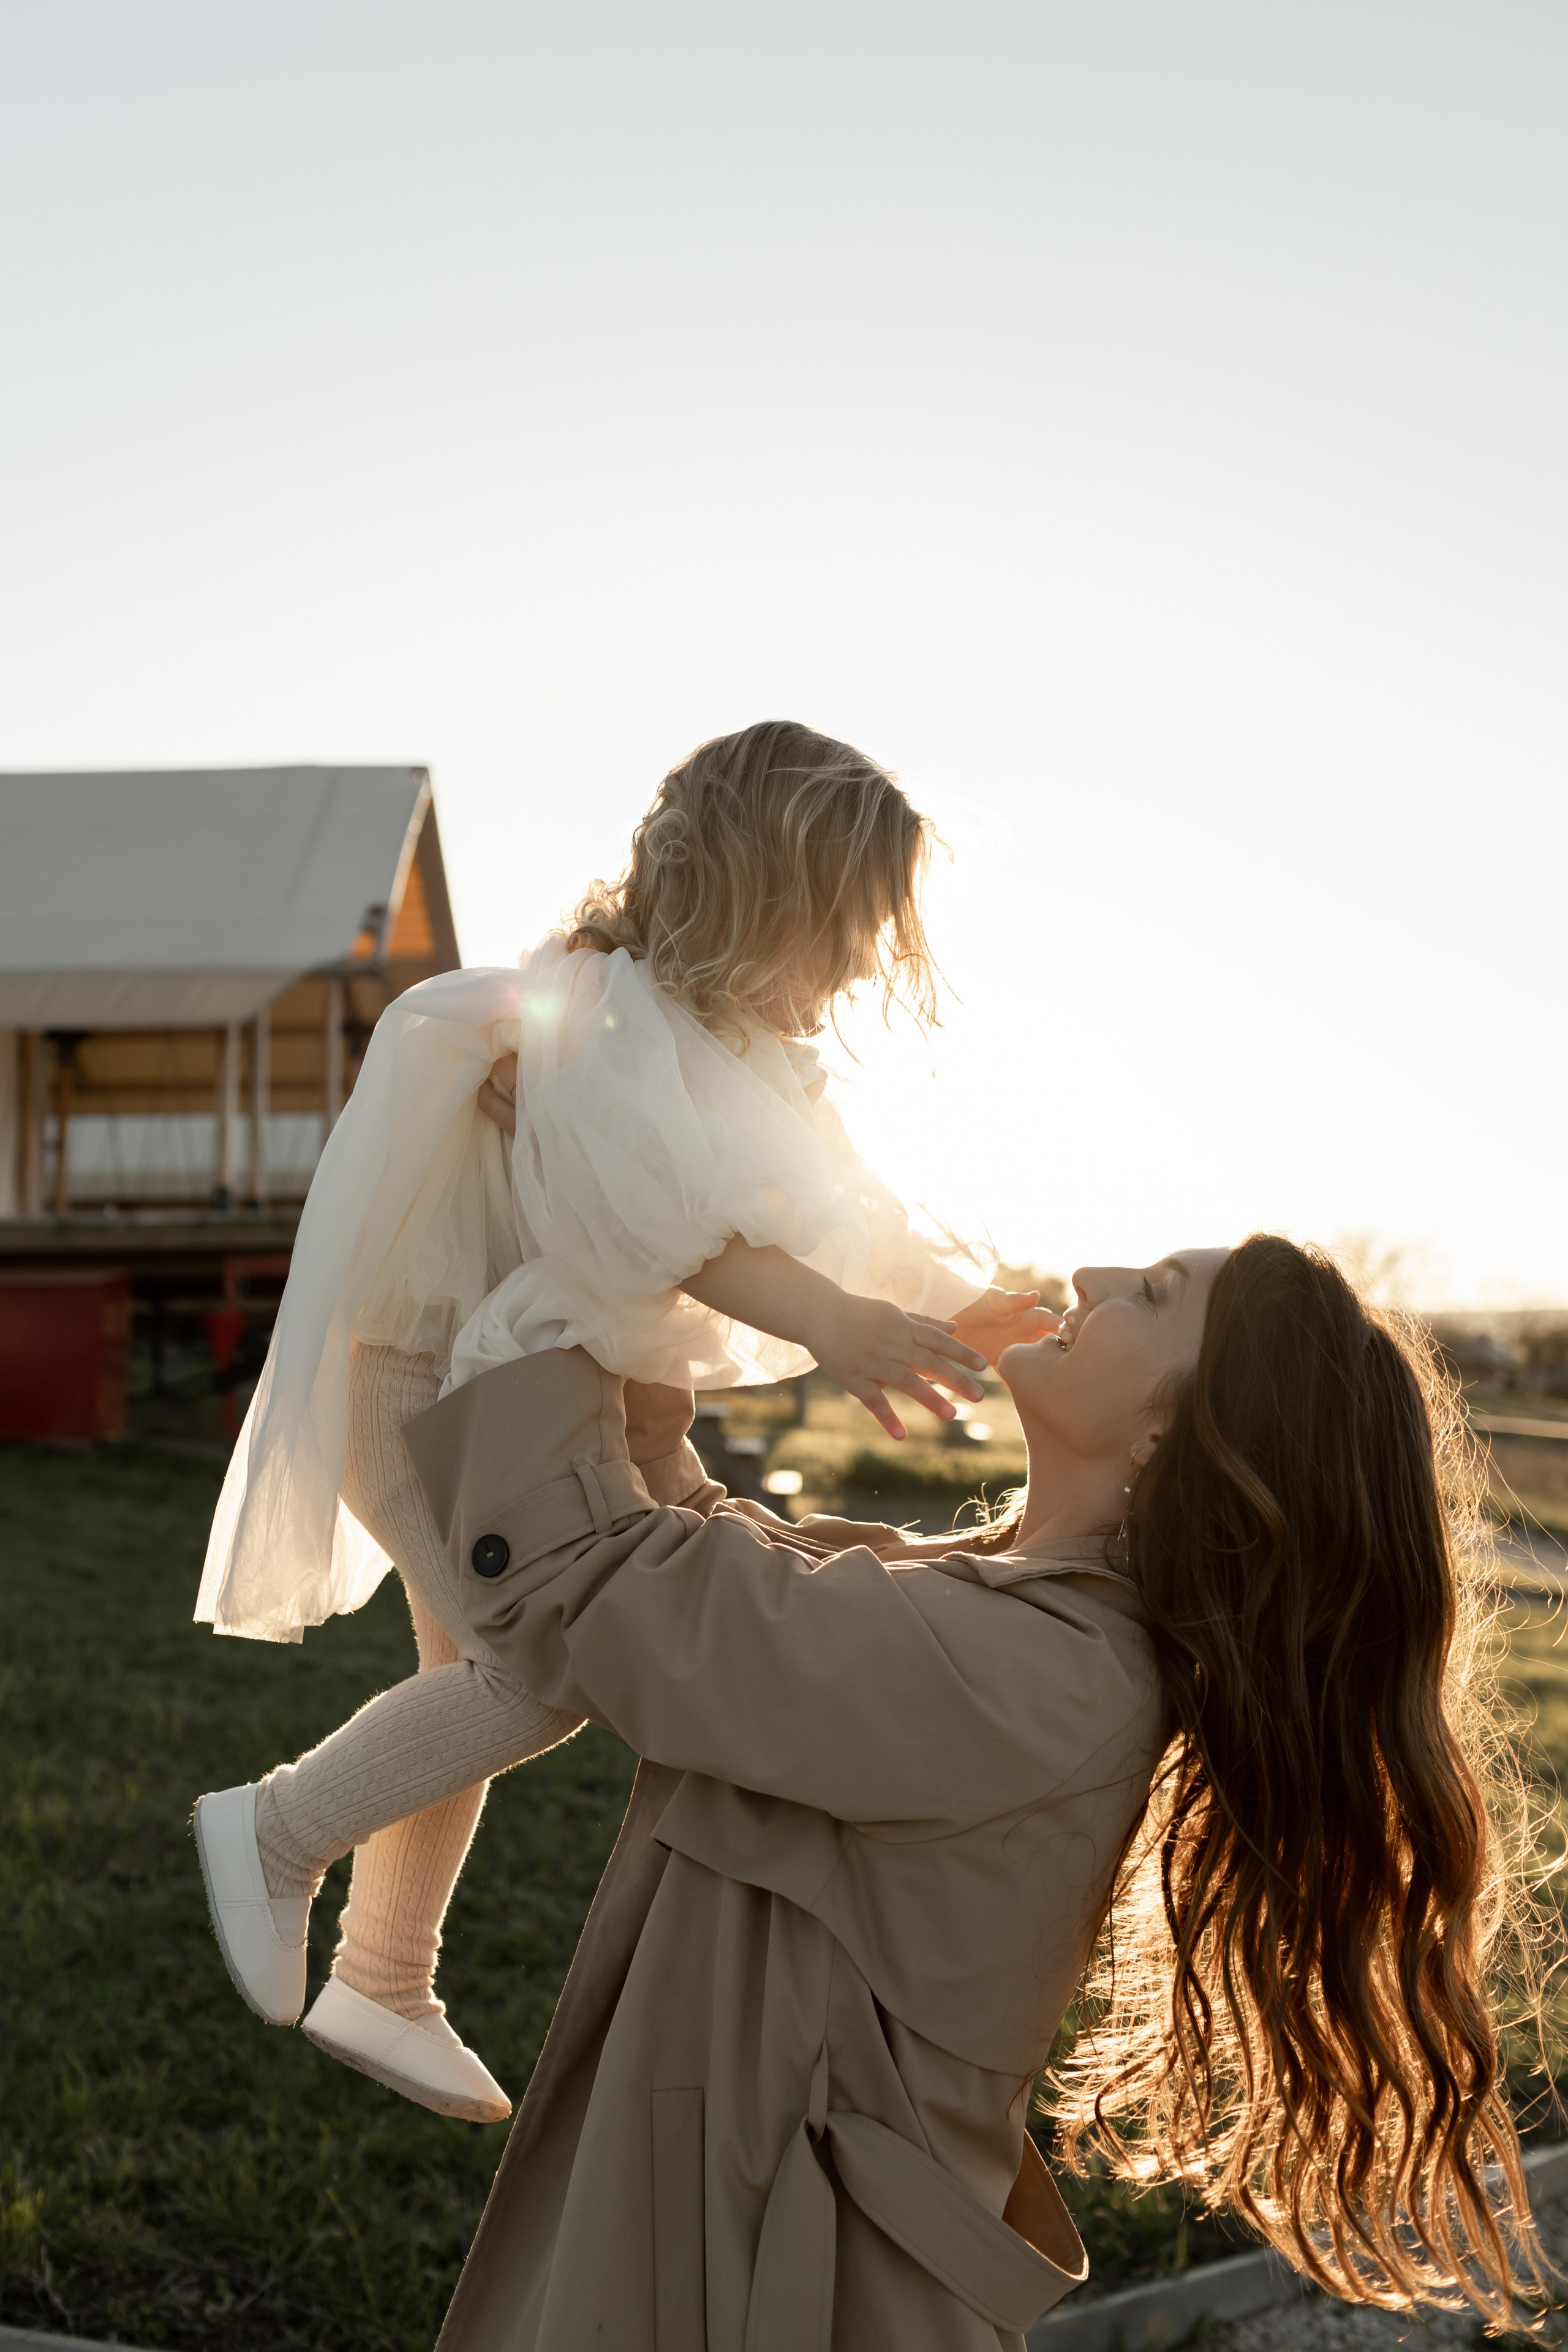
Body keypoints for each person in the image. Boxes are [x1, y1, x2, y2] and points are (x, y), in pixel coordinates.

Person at [384, 1235, 1539, 2346]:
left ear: (1168, 1430)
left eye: (1149, 1292)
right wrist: (632, 1254)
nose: (1089, 1274)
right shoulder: (1000, 1616)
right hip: (752, 2230)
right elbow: (713, 1553)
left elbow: (609, 1588)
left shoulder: (1041, 1675)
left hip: (784, 2280)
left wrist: (564, 1300)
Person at [192, 720, 1050, 2120]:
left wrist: (962, 1306)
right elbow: (635, 1227)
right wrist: (829, 1325)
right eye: (843, 929)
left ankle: (385, 1975)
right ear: (764, 895)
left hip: (512, 1388)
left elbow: (841, 1216)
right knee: (538, 1669)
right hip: (423, 1378)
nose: (851, 968)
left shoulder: (734, 1049)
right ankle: (276, 1829)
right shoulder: (587, 1006)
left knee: (467, 1663)